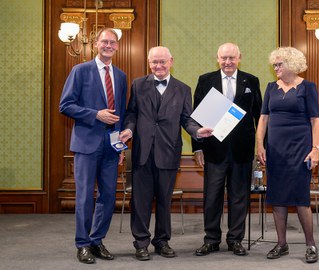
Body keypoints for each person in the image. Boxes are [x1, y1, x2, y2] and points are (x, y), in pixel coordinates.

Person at [119, 46, 213, 261]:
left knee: (164, 200)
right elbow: (132, 113)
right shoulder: (138, 84)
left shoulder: (183, 88)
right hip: (142, 151)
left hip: (169, 151)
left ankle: (162, 241)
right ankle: (141, 243)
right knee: (140, 201)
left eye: (162, 62)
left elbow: (186, 119)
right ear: (149, 63)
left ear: (171, 61)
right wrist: (129, 129)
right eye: (154, 62)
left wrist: (197, 131)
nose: (158, 66)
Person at [59, 28, 127, 264]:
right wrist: (95, 114)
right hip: (86, 145)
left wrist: (120, 147)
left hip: (110, 148)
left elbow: (121, 113)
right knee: (85, 196)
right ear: (96, 44)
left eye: (113, 42)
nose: (108, 45)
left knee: (108, 196)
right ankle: (82, 244)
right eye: (104, 41)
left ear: (117, 46)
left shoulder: (120, 76)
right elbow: (65, 105)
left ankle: (97, 240)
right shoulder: (80, 70)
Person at [192, 43, 262, 256]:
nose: (228, 62)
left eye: (232, 58)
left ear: (239, 57)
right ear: (217, 58)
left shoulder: (251, 80)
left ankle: (235, 239)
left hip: (242, 150)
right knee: (212, 196)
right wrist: (198, 149)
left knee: (239, 196)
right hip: (214, 150)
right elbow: (196, 117)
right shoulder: (206, 80)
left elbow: (260, 116)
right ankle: (211, 239)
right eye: (224, 58)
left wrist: (261, 146)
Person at [256, 47, 319, 263]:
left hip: (300, 150)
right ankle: (281, 244)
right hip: (276, 151)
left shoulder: (307, 87)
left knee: (301, 199)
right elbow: (263, 119)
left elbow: (315, 122)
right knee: (277, 199)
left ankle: (310, 245)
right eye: (274, 65)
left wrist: (315, 149)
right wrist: (260, 146)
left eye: (279, 64)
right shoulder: (270, 88)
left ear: (291, 65)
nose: (275, 68)